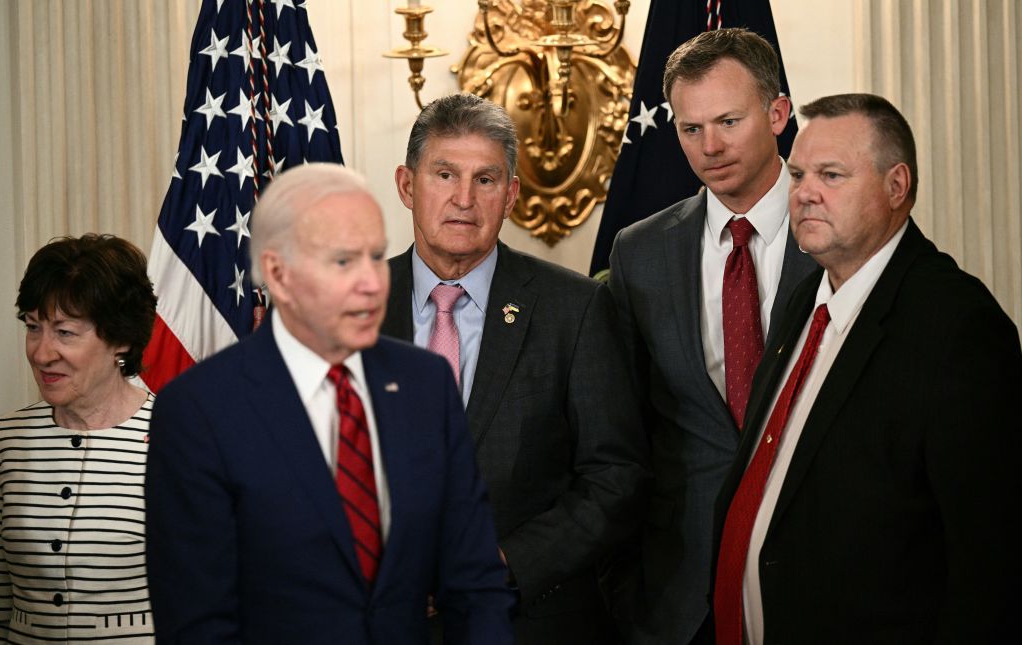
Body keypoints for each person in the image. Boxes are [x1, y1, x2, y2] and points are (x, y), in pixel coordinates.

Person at [145, 164, 514, 644]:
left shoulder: (424, 384)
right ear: (278, 274)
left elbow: (476, 581)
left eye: (376, 257)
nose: (372, 283)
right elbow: (198, 624)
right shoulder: (199, 411)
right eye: (343, 262)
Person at [712, 93, 1022, 645]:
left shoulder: (957, 326)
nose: (804, 192)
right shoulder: (804, 300)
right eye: (800, 173)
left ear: (896, 186)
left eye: (831, 175)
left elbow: (990, 562)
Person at [382, 93, 649, 644]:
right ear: (408, 185)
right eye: (445, 174)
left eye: (485, 179)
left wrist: (499, 564)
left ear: (511, 195)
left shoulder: (573, 310)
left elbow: (615, 476)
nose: (464, 199)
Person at [604, 28, 816, 643]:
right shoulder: (638, 251)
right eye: (690, 129)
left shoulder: (839, 232)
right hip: (678, 595)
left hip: (819, 571)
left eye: (728, 121)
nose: (710, 147)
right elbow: (620, 426)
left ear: (778, 114)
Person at [0, 234, 158, 642]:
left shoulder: (179, 442)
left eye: (65, 332)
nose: (41, 352)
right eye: (33, 328)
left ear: (120, 337)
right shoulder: (6, 442)